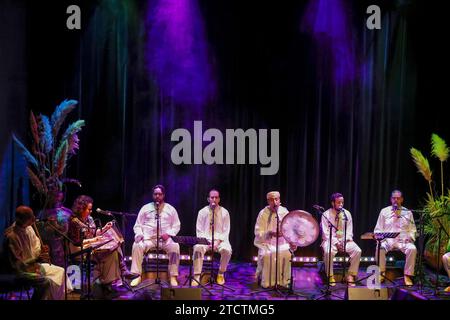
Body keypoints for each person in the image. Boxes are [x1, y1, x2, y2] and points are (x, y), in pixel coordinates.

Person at [67, 195, 135, 299]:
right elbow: (76, 242)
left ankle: (108, 284)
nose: (90, 212)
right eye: (88, 209)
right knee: (110, 252)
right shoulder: (74, 221)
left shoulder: (88, 219)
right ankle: (112, 280)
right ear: (81, 209)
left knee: (114, 246)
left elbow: (94, 233)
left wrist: (104, 229)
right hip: (80, 249)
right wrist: (94, 240)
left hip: (91, 246)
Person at [3, 205, 67, 299]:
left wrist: (41, 250)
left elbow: (35, 246)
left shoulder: (29, 228)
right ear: (22, 219)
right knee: (45, 282)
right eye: (30, 217)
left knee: (60, 271)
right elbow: (17, 265)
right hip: (21, 272)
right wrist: (37, 259)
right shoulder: (12, 236)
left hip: (33, 266)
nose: (34, 218)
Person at [130, 185, 181, 287]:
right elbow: (138, 225)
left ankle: (173, 276)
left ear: (163, 195)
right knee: (137, 245)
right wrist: (139, 234)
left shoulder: (170, 209)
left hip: (165, 239)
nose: (157, 196)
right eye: (155, 194)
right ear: (153, 195)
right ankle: (136, 275)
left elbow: (177, 225)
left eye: (160, 194)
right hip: (148, 239)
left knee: (175, 247)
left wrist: (169, 234)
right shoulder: (145, 208)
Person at [375, 190, 417, 286]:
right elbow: (378, 228)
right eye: (394, 198)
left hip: (403, 241)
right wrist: (381, 238)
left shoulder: (408, 212)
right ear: (391, 199)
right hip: (388, 240)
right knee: (379, 247)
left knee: (412, 249)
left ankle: (407, 275)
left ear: (402, 200)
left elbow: (413, 229)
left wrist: (409, 237)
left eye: (398, 198)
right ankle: (381, 272)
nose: (396, 200)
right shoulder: (384, 211)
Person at [254, 191, 295, 288]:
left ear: (279, 200)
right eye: (272, 200)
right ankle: (268, 283)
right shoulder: (263, 213)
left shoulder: (284, 212)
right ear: (268, 201)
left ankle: (284, 282)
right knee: (268, 255)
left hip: (282, 243)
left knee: (287, 254)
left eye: (276, 199)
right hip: (267, 243)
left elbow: (291, 229)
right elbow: (258, 232)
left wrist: (288, 238)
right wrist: (269, 233)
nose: (275, 202)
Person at [192, 189, 232, 286]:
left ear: (219, 199)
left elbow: (226, 230)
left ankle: (221, 273)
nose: (214, 199)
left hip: (220, 240)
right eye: (212, 197)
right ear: (208, 199)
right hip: (205, 240)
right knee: (197, 248)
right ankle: (197, 275)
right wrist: (207, 242)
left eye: (216, 197)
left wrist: (217, 242)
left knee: (227, 250)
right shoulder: (202, 212)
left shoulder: (225, 212)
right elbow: (199, 230)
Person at [320, 193, 362, 286]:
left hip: (344, 241)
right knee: (328, 252)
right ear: (332, 203)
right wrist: (336, 243)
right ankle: (330, 275)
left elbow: (350, 231)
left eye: (342, 202)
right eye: (338, 202)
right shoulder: (326, 214)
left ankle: (351, 275)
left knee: (357, 250)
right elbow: (325, 233)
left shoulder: (347, 214)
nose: (341, 204)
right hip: (330, 240)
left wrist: (344, 241)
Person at [38, 191, 72, 267]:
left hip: (58, 244)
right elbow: (39, 228)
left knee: (59, 265)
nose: (56, 199)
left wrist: (55, 225)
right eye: (54, 196)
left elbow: (64, 229)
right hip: (46, 243)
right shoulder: (42, 212)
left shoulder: (62, 212)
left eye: (58, 197)